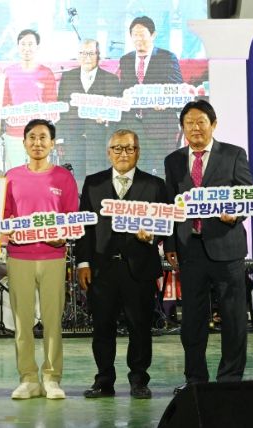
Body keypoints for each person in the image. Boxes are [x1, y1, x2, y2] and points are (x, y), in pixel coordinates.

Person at [164, 100, 253, 394]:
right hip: (189, 249)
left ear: (213, 124)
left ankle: (230, 380)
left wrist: (235, 213)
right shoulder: (173, 160)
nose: (195, 128)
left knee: (233, 317)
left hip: (226, 247)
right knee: (192, 320)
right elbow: (170, 205)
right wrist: (170, 244)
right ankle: (195, 380)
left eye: (201, 122)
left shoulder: (233, 154)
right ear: (183, 128)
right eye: (189, 123)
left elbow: (246, 195)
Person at [75, 129, 168, 400]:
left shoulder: (155, 185)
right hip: (102, 269)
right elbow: (85, 228)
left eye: (129, 148)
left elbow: (167, 222)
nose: (123, 153)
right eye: (117, 148)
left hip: (139, 268)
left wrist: (153, 234)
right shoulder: (93, 183)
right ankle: (104, 380)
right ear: (109, 152)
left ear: (138, 152)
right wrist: (83, 262)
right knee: (102, 328)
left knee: (140, 327)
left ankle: (139, 380)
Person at [3, 119, 79, 400]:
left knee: (52, 320)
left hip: (53, 257)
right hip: (19, 256)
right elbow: (4, 216)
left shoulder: (63, 178)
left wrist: (63, 236)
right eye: (32, 137)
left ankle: (51, 378)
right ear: (24, 143)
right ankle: (28, 378)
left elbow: (72, 218)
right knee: (22, 322)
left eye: (43, 137)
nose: (37, 143)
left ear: (52, 143)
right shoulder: (11, 177)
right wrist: (9, 230)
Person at [118, 16, 183, 175]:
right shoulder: (125, 60)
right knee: (137, 172)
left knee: (162, 172)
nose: (138, 39)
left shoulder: (167, 57)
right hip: (133, 126)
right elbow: (122, 90)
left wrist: (165, 102)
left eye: (142, 34)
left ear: (153, 35)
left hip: (160, 126)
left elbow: (178, 90)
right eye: (134, 35)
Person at [57, 38, 122, 186]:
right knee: (74, 184)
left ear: (98, 55)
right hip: (73, 142)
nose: (87, 57)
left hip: (100, 143)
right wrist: (60, 140)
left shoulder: (111, 80)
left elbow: (118, 114)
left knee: (98, 183)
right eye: (83, 53)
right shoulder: (67, 77)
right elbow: (61, 110)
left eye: (91, 53)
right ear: (78, 55)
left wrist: (107, 118)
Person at [2, 30, 57, 171]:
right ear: (17, 46)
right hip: (14, 135)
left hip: (39, 136)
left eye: (31, 44)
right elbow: (3, 102)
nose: (27, 48)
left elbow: (52, 104)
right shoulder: (8, 72)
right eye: (23, 44)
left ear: (37, 47)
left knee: (39, 176)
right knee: (15, 175)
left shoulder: (46, 73)